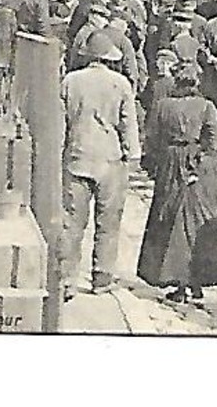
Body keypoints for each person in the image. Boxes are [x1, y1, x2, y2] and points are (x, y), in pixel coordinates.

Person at [136, 66, 217, 304]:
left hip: (171, 164)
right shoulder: (207, 107)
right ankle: (197, 280)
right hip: (199, 167)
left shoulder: (162, 106)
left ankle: (178, 281)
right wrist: (204, 169)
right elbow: (214, 144)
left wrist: (153, 167)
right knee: (200, 222)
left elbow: (151, 139)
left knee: (171, 222)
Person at [59, 31, 142, 299]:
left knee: (72, 222)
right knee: (108, 223)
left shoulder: (70, 81)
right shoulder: (120, 84)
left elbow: (61, 122)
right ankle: (102, 278)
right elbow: (128, 124)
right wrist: (133, 156)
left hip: (77, 155)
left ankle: (67, 278)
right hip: (110, 158)